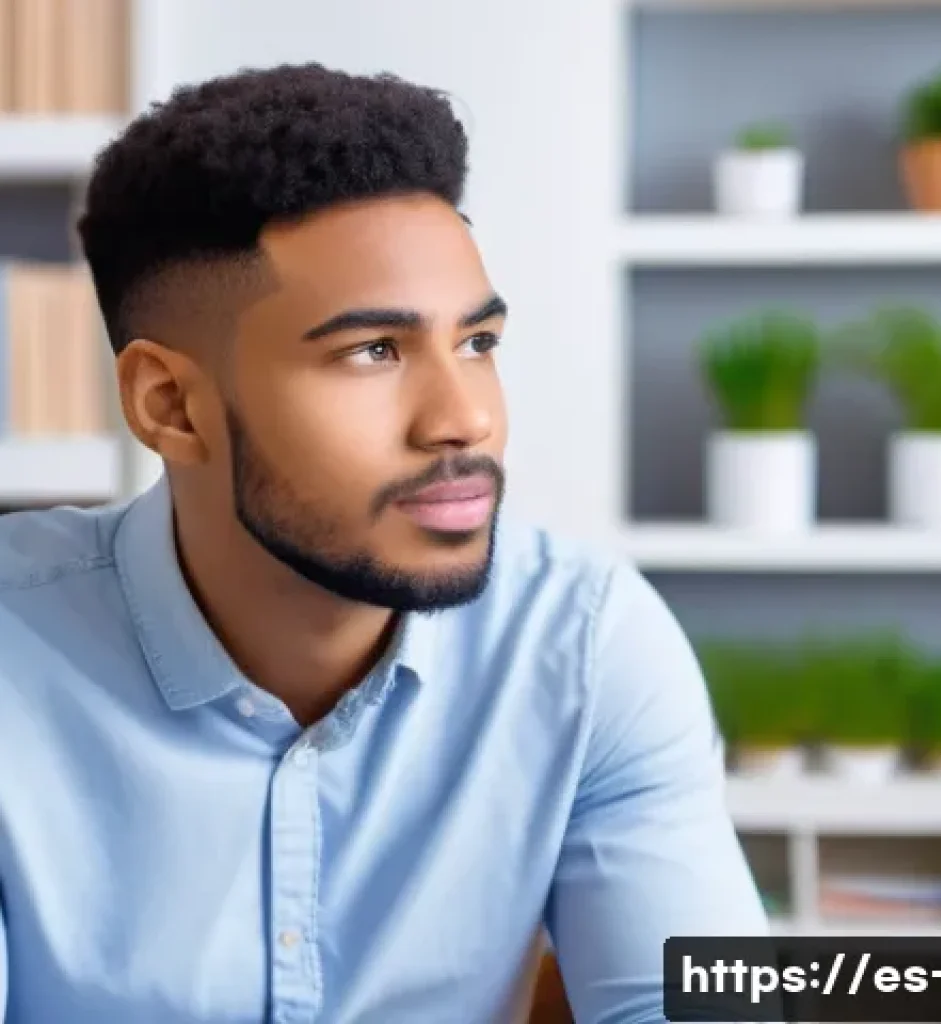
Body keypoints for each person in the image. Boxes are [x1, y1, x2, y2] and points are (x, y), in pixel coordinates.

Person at [0, 64, 765, 1023]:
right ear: (171, 407)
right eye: (373, 352)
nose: (463, 420)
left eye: (478, 344)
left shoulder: (584, 641)